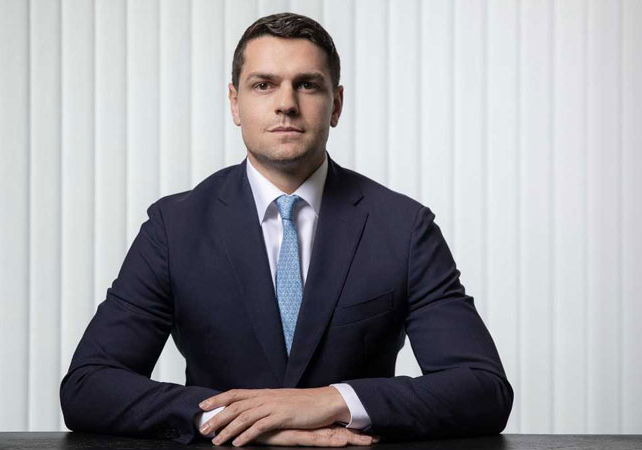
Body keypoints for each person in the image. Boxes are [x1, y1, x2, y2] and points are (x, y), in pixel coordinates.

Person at [60, 12, 513, 447]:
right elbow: (87, 386)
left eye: (307, 85)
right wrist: (232, 419)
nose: (286, 104)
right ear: (235, 103)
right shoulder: (174, 227)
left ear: (336, 104)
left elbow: (482, 388)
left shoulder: (403, 227)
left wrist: (333, 401)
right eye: (264, 84)